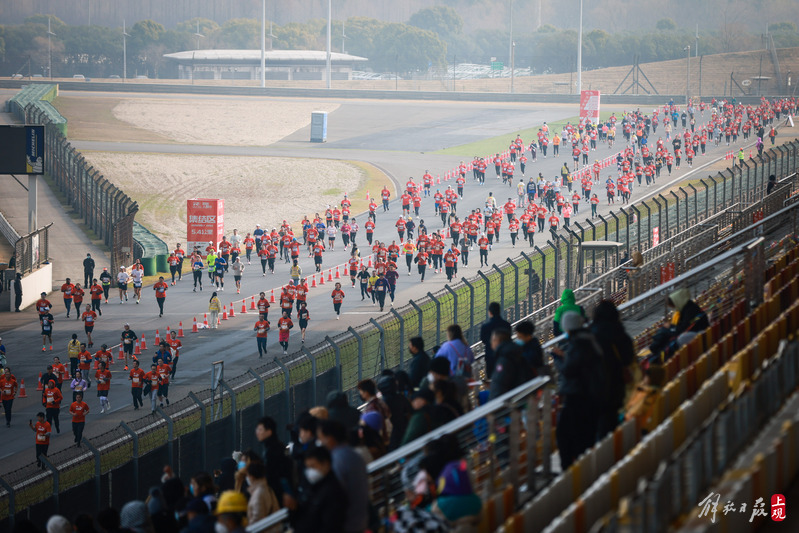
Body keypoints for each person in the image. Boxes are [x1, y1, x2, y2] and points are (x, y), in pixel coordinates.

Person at [551, 311, 606, 470]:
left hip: (578, 397)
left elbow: (569, 370)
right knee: (583, 435)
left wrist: (558, 360)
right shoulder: (588, 340)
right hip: (589, 396)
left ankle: (571, 471)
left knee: (564, 435)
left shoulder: (579, 344)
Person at [591, 300, 635, 439]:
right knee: (611, 420)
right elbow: (628, 358)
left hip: (595, 388)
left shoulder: (592, 335)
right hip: (616, 386)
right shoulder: (620, 334)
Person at [317, 420, 369, 533]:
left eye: (321, 438)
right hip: (359, 521)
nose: (320, 442)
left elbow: (335, 497)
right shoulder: (355, 455)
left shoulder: (337, 461)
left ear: (330, 439)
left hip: (345, 525)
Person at [286, 445, 347, 533]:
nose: (310, 472)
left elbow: (329, 525)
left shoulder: (333, 491)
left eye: (313, 466)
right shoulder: (313, 488)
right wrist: (294, 508)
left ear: (326, 464)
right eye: (308, 467)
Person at [254, 416, 293, 503]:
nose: (257, 432)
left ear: (269, 431)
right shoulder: (276, 447)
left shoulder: (273, 450)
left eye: (260, 429)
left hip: (279, 496)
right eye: (257, 429)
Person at [489, 329, 532, 399]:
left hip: (507, 403)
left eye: (493, 340)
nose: (491, 343)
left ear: (498, 340)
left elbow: (499, 385)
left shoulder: (504, 359)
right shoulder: (514, 353)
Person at [480, 302, 511, 379]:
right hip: (505, 356)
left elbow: (483, 340)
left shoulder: (485, 327)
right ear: (499, 311)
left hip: (491, 357)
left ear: (490, 312)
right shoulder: (506, 325)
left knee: (492, 379)